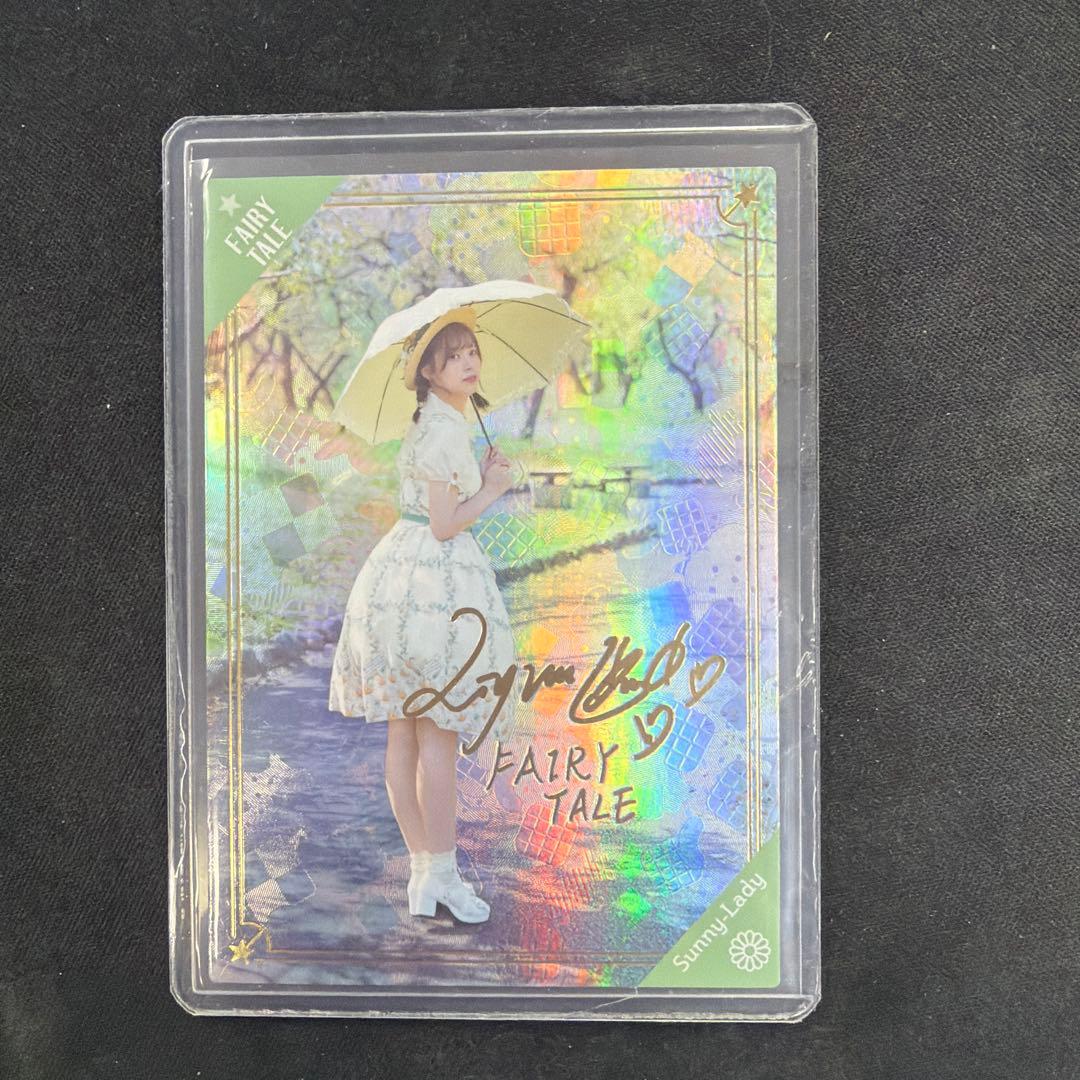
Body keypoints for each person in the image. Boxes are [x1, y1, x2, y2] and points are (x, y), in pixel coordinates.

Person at [328, 315, 516, 924]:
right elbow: (443, 523)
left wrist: (479, 473)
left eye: (472, 352)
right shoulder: (443, 430)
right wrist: (492, 488)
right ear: (428, 371)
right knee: (436, 731)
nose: (469, 362)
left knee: (405, 732)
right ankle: (444, 875)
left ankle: (424, 875)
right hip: (431, 581)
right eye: (453, 356)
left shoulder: (435, 423)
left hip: (398, 576)